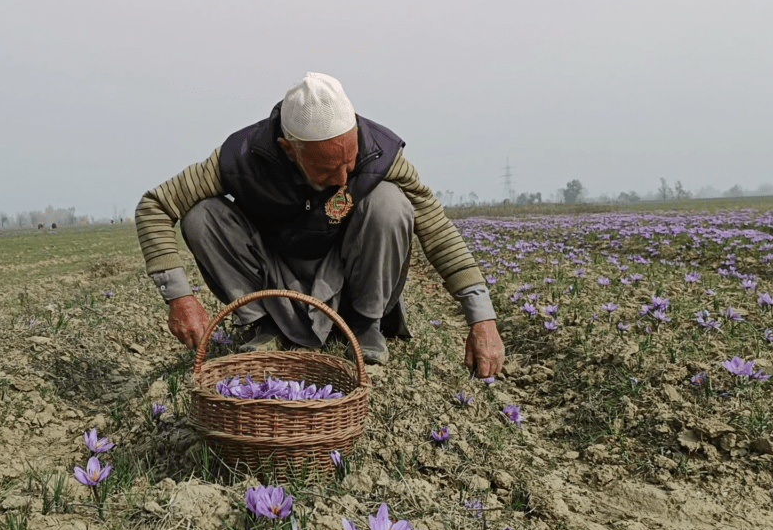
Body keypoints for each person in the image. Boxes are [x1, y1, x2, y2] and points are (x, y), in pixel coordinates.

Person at [135, 72, 504, 376]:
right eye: (330, 168)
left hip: (345, 277)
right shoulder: (240, 160)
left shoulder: (379, 153)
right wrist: (180, 297)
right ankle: (264, 324)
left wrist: (481, 316)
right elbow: (155, 206)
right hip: (278, 275)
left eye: (350, 160)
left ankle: (364, 325)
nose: (345, 177)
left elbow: (436, 228)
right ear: (289, 149)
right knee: (202, 216)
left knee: (390, 202)